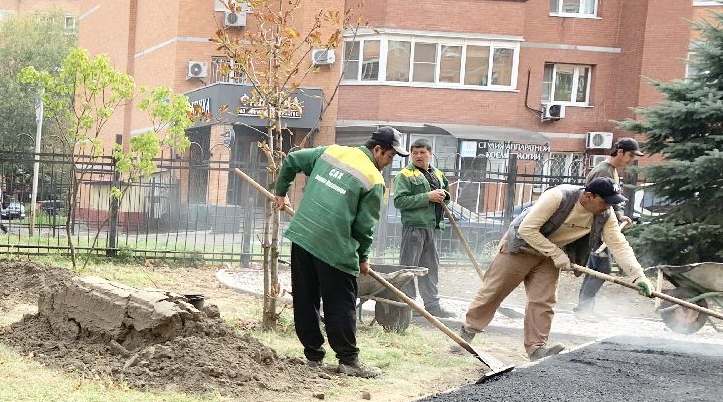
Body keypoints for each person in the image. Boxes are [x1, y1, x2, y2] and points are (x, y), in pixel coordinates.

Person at [460, 177, 652, 360]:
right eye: (605, 201)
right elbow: (526, 229)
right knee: (493, 292)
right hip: (520, 248)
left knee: (543, 301)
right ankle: (465, 335)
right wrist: (557, 254)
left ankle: (537, 349)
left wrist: (638, 276)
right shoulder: (558, 196)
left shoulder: (605, 214)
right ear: (588, 196)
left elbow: (619, 245)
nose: (608, 207)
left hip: (549, 256)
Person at [272, 126, 401, 378]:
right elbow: (364, 228)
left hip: (303, 237)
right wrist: (363, 258)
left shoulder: (331, 152)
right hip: (335, 247)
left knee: (306, 299)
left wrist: (280, 191)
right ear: (377, 150)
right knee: (340, 303)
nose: (389, 162)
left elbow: (292, 160)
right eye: (390, 156)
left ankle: (313, 355)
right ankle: (348, 361)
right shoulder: (374, 181)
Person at [574, 136, 640, 319]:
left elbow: (609, 201)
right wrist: (602, 231)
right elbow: (595, 203)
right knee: (602, 269)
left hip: (601, 227)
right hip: (596, 229)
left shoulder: (611, 170)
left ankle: (585, 309)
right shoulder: (603, 171)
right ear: (620, 152)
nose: (631, 161)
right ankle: (584, 310)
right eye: (630, 156)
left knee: (595, 269)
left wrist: (619, 215)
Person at [393, 139, 454, 318]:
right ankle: (408, 305)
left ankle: (432, 306)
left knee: (430, 268)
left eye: (422, 152)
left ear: (430, 153)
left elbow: (447, 198)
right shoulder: (405, 175)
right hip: (414, 228)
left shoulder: (438, 175)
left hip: (432, 228)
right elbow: (399, 201)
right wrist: (427, 196)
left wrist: (444, 195)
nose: (418, 156)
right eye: (415, 153)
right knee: (409, 269)